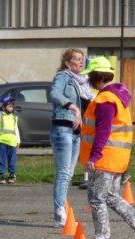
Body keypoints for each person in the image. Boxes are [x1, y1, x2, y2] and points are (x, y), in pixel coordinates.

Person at [78, 56, 135, 239]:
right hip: (116, 158)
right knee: (111, 197)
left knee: (97, 199)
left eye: (90, 76)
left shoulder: (105, 100)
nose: (88, 80)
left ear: (98, 77)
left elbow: (103, 131)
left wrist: (94, 157)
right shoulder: (118, 97)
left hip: (104, 158)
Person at [49, 48, 94, 227]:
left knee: (68, 174)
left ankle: (60, 212)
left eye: (82, 58)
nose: (81, 61)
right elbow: (54, 94)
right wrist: (73, 107)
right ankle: (60, 214)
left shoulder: (84, 83)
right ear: (67, 62)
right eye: (76, 59)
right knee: (63, 173)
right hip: (63, 128)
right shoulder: (63, 77)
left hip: (76, 132)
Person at [0, 93, 20, 184]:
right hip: (2, 140)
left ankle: (12, 174)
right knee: (1, 158)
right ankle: (1, 175)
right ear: (3, 107)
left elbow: (16, 130)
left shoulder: (14, 118)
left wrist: (18, 140)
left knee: (12, 159)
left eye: (12, 106)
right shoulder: (0, 115)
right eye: (9, 106)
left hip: (12, 142)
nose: (12, 107)